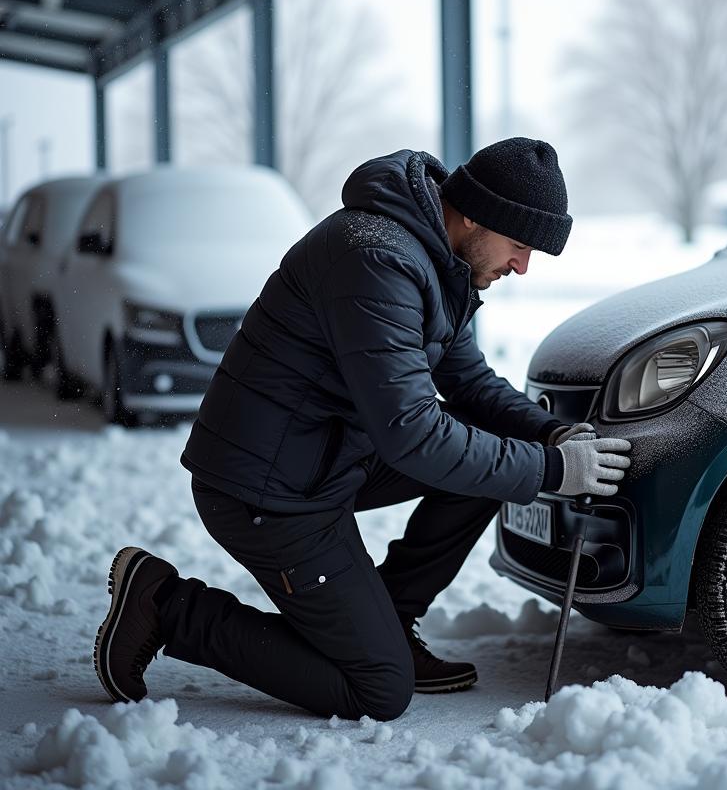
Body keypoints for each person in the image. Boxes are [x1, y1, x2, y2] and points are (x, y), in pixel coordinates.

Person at [93, 138, 631, 721]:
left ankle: (389, 621)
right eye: (520, 245)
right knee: (377, 688)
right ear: (475, 214)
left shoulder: (436, 257)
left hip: (325, 457)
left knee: (490, 453)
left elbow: (468, 382)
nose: (522, 266)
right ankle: (167, 605)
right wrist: (551, 471)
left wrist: (551, 436)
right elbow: (413, 435)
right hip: (266, 491)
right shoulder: (378, 261)